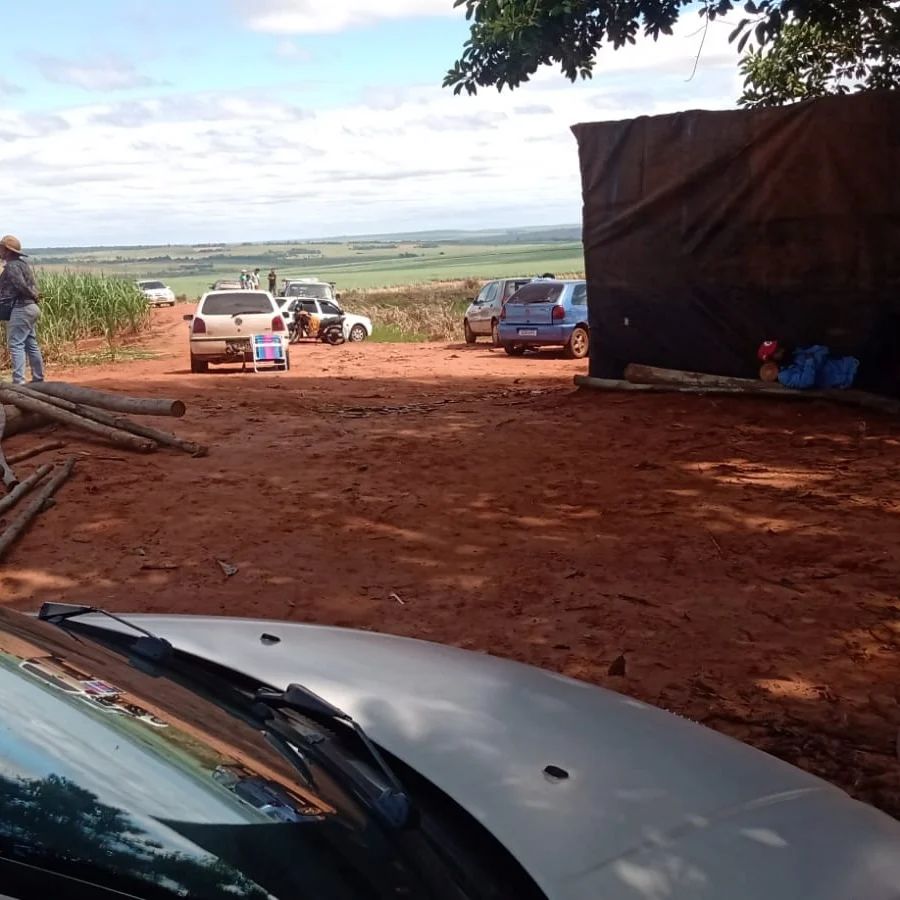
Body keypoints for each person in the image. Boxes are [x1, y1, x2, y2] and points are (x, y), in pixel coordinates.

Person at [0, 234, 44, 385]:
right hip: (31, 308)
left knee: (16, 344)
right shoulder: (22, 264)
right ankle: (38, 379)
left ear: (7, 251)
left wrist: (33, 295)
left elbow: (20, 286)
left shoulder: (12, 267)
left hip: (21, 308)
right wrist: (34, 297)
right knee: (30, 343)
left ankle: (19, 382)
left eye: (1, 248)